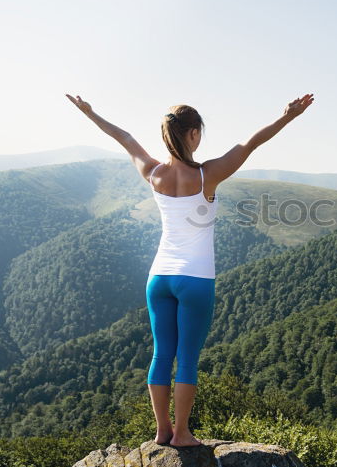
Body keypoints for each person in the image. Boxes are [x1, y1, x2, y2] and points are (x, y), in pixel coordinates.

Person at [66, 92, 315, 446]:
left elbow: (124, 138)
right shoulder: (207, 175)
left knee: (160, 353)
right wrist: (287, 116)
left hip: (159, 278)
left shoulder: (153, 173)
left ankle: (161, 431)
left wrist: (91, 114)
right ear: (194, 133)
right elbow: (251, 143)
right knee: (187, 359)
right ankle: (181, 433)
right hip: (195, 279)